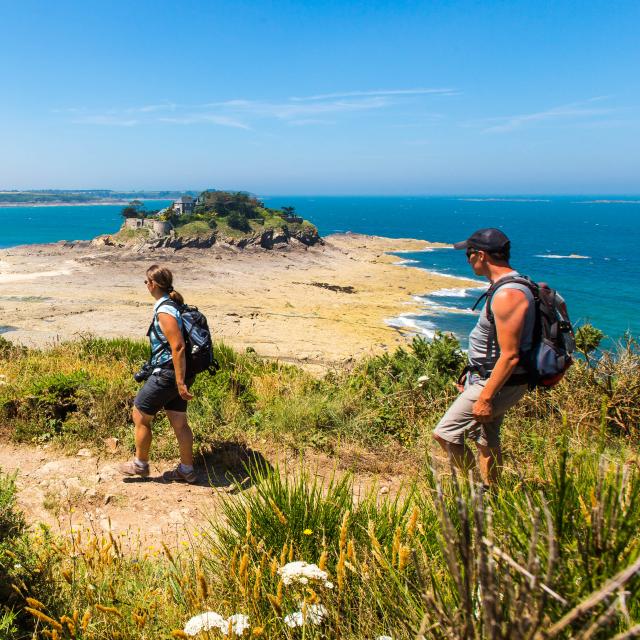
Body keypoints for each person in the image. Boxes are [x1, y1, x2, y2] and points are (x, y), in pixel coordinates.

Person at [432, 228, 535, 487]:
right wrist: (472, 373)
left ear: (480, 255)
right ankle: (494, 494)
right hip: (490, 378)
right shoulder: (510, 286)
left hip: (497, 383)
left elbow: (510, 355)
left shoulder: (507, 294)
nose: (467, 260)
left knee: (445, 433)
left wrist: (486, 396)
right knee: (487, 440)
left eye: (468, 254)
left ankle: (473, 487)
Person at [119, 265, 197, 483]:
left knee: (140, 413)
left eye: (146, 282)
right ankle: (187, 470)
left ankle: (140, 464)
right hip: (178, 373)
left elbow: (178, 346)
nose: (146, 285)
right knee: (179, 421)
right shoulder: (174, 305)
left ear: (152, 284)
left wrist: (180, 382)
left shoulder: (164, 310)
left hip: (168, 373)